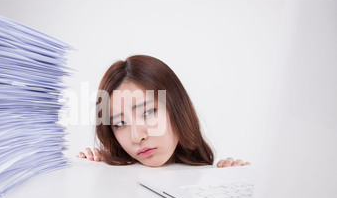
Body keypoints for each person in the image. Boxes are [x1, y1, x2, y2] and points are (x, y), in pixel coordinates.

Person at [77, 55, 250, 168]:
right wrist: (98, 164)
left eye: (148, 113)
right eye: (120, 123)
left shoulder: (208, 175)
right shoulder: (113, 172)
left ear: (177, 107)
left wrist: (232, 177)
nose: (137, 136)